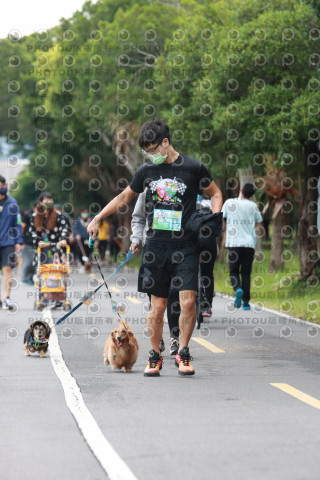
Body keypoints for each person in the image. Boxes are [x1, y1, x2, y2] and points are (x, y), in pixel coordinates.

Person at [87, 119, 223, 376]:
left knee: (189, 301)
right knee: (157, 306)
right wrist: (97, 218)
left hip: (186, 244)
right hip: (156, 246)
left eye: (153, 150)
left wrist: (215, 220)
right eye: (146, 152)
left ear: (166, 143)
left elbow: (215, 193)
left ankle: (183, 352)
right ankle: (154, 356)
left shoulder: (194, 167)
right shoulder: (146, 172)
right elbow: (124, 198)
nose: (150, 155)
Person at [130, 189, 180, 356]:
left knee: (174, 295)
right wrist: (136, 240)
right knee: (155, 301)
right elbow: (138, 218)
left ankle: (175, 337)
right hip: (152, 252)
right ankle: (157, 340)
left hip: (177, 251)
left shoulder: (181, 187)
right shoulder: (147, 191)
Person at [222, 183, 263, 310]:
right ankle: (246, 303)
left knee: (233, 272)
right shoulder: (253, 206)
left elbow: (223, 218)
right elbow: (259, 223)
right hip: (249, 244)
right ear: (252, 195)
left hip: (234, 243)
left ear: (240, 190)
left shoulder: (229, 203)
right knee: (246, 273)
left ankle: (237, 289)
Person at [0, 175, 24, 309]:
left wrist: (19, 241)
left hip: (8, 241)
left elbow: (17, 223)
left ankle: (7, 298)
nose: (3, 187)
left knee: (7, 268)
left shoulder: (12, 203)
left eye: (4, 185)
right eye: (1, 185)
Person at [29, 192, 71, 265]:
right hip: (41, 249)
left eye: (50, 200)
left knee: (58, 272)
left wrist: (63, 239)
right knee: (42, 272)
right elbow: (32, 232)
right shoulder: (34, 216)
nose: (49, 202)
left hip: (57, 247)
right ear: (40, 202)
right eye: (46, 201)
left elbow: (64, 228)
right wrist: (38, 241)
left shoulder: (59, 215)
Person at [20, 203, 36, 285]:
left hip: (35, 243)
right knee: (28, 261)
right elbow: (22, 227)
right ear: (34, 207)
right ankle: (24, 278)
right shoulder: (27, 215)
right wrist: (21, 240)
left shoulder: (40, 216)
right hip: (27, 242)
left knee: (34, 262)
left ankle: (30, 278)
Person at [74, 207, 92, 273]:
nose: (85, 214)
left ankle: (89, 265)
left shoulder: (91, 219)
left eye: (86, 212)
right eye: (83, 212)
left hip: (89, 239)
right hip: (80, 240)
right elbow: (75, 229)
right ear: (81, 213)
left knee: (89, 252)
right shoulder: (78, 220)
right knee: (80, 252)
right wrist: (77, 235)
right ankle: (82, 264)